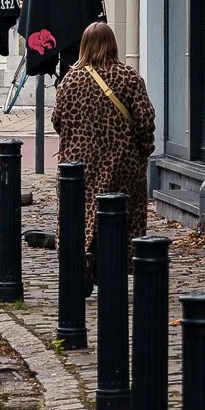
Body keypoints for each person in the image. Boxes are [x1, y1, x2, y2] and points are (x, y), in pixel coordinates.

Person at [51, 17, 156, 275]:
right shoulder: (128, 76)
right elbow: (145, 119)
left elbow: (57, 120)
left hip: (79, 164)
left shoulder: (70, 80)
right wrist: (144, 149)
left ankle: (82, 258)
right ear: (113, 45)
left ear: (84, 46)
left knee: (81, 213)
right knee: (120, 214)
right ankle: (115, 266)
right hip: (122, 160)